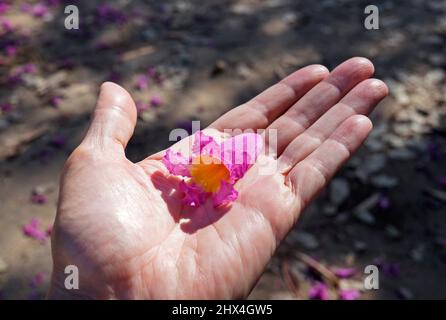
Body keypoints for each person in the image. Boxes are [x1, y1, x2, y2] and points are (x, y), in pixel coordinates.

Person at [48, 57, 388, 299]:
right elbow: (216, 186)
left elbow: (211, 182)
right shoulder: (214, 169)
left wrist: (89, 293)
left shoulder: (208, 165)